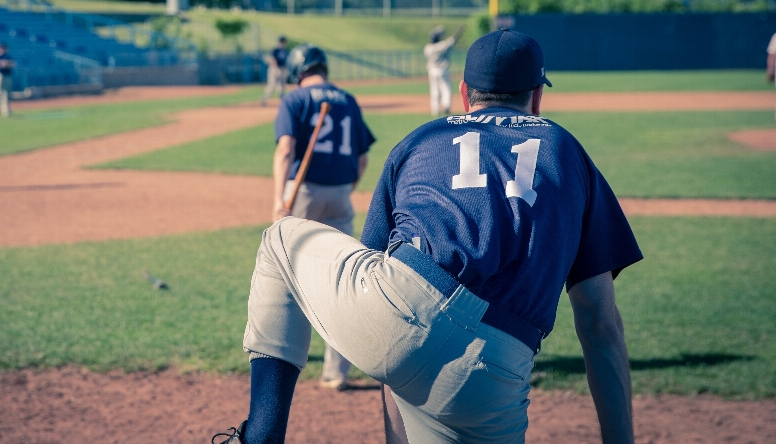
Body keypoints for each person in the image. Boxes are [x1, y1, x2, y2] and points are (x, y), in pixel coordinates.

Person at [214, 30, 642, 444]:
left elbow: (381, 267)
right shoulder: (566, 151)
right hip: (500, 361)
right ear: (537, 97)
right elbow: (599, 322)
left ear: (463, 93)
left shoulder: (422, 138)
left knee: (281, 238)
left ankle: (260, 436)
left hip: (399, 313)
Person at [270, 44, 375, 392]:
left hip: (304, 194)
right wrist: (345, 189)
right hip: (341, 193)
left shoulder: (295, 99)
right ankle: (336, 372)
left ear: (297, 69)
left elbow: (285, 149)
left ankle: (278, 363)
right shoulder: (347, 99)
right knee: (337, 282)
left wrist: (279, 200)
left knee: (287, 279)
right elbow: (362, 160)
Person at [423, 25, 464, 117]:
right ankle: (446, 106)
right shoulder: (441, 46)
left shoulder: (427, 48)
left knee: (434, 90)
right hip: (442, 69)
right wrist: (459, 31)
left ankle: (435, 110)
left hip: (431, 70)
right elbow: (453, 40)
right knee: (446, 88)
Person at [261, 36, 289, 106]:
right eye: (282, 42)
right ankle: (264, 100)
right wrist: (276, 69)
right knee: (272, 85)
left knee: (282, 86)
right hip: (274, 69)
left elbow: (285, 61)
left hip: (282, 68)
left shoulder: (285, 51)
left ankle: (283, 101)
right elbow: (273, 60)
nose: (283, 43)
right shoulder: (275, 50)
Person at [0, 43, 16, 118]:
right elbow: (1, 64)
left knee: (6, 93)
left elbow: (13, 64)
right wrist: (7, 63)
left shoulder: (7, 55)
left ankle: (5, 110)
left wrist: (7, 64)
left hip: (7, 75)